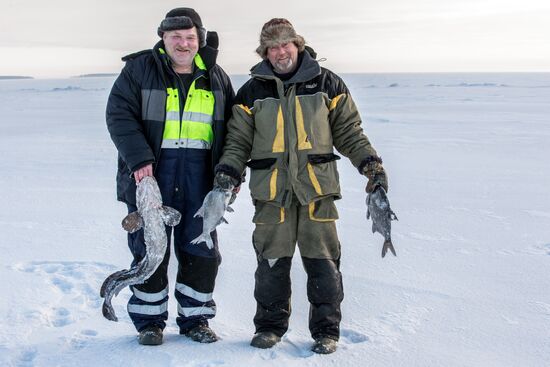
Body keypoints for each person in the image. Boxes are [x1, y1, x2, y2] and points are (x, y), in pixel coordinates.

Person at [213, 18, 390, 354]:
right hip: (272, 192)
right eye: (272, 47)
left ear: (298, 44)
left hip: (316, 190)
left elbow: (349, 132)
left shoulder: (327, 83)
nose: (281, 52)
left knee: (323, 263)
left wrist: (371, 165)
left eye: (286, 44)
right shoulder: (251, 91)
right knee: (270, 263)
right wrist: (228, 172)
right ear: (264, 52)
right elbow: (237, 141)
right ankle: (269, 327)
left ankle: (326, 331)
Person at [106, 7, 234, 346]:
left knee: (201, 249)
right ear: (163, 38)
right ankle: (149, 321)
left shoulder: (216, 77)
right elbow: (119, 115)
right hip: (151, 173)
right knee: (150, 248)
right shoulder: (139, 71)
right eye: (175, 37)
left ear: (199, 40)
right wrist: (138, 159)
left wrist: (228, 177)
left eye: (190, 37)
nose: (183, 43)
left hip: (200, 176)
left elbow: (232, 133)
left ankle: (196, 319)